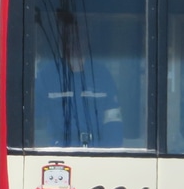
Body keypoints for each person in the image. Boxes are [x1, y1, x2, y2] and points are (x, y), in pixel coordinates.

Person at [32, 15, 123, 148]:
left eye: (81, 37)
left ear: (87, 41)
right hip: (57, 151)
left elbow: (113, 120)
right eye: (71, 38)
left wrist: (109, 153)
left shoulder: (102, 75)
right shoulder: (47, 75)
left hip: (98, 151)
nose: (76, 42)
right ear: (64, 42)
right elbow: (33, 118)